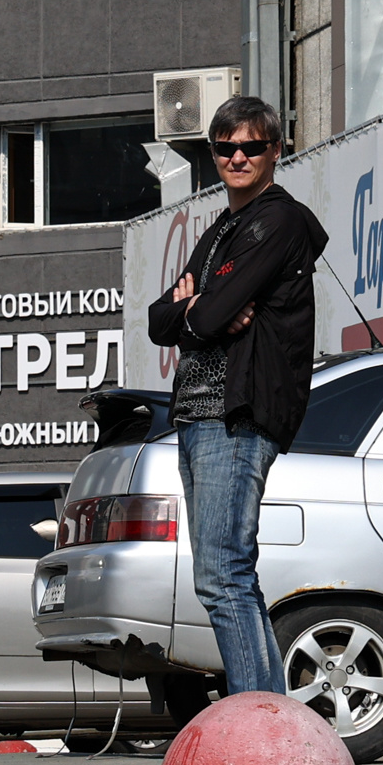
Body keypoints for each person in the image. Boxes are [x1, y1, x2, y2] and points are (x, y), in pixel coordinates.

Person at [147, 96, 328, 698]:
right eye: (225, 148)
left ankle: (260, 713)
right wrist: (196, 310)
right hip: (198, 417)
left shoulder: (278, 221)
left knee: (224, 573)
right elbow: (158, 319)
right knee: (216, 578)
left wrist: (197, 309)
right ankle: (265, 707)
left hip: (238, 414)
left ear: (277, 150)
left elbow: (207, 313)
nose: (238, 157)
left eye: (252, 146)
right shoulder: (222, 227)